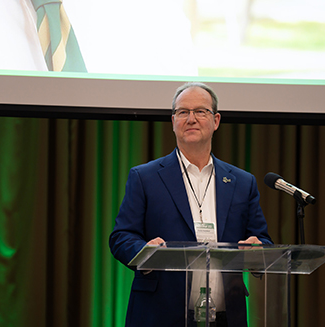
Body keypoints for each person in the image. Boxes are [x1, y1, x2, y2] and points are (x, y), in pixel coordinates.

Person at [109, 82, 272, 327]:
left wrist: (257, 250)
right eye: (183, 112)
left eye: (200, 111)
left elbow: (262, 240)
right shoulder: (145, 177)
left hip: (226, 316)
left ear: (216, 120)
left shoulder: (241, 182)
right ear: (173, 121)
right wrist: (145, 251)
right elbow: (121, 236)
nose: (191, 118)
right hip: (160, 313)